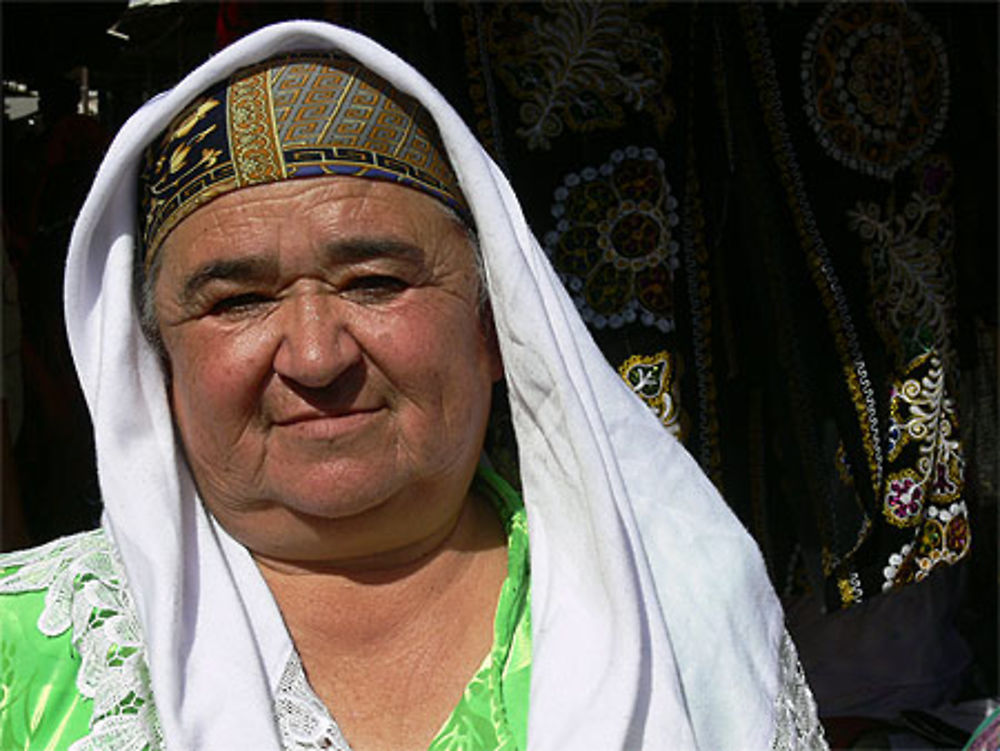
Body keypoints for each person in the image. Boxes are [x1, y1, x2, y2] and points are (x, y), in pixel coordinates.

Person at [0, 20, 826, 751]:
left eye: (375, 281)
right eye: (240, 300)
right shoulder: (22, 648)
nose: (317, 357)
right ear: (157, 363)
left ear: (493, 325)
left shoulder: (681, 612)